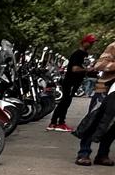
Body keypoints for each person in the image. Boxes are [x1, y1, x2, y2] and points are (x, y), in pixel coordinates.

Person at [75, 37, 115, 166]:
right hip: (105, 90)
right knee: (94, 119)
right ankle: (83, 153)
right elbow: (100, 65)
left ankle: (102, 154)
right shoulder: (113, 46)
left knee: (112, 125)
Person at [49, 33, 97, 131]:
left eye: (92, 43)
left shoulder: (84, 54)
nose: (91, 45)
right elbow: (74, 69)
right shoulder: (78, 54)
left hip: (75, 82)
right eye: (90, 43)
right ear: (84, 42)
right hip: (70, 81)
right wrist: (86, 70)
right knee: (65, 102)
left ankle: (55, 123)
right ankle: (58, 122)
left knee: (66, 101)